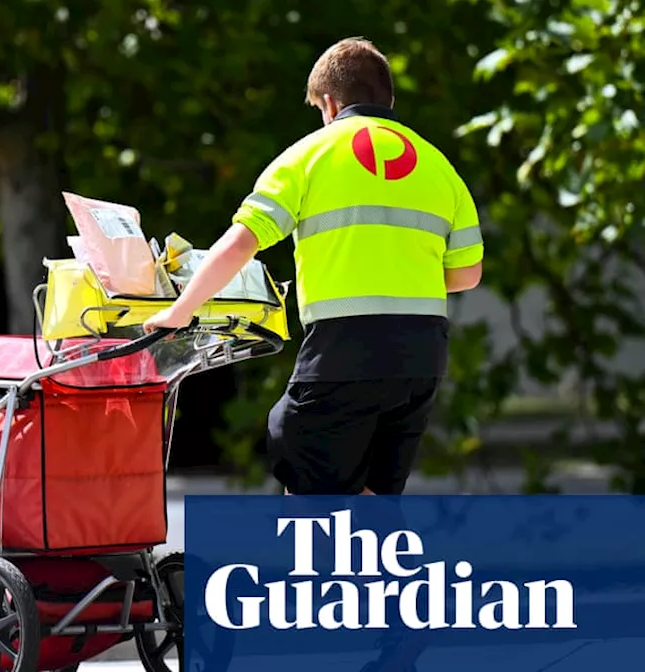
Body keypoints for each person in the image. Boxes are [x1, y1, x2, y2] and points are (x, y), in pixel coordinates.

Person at [143, 37, 484, 498]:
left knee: (305, 475)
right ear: (389, 99)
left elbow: (243, 241)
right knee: (375, 502)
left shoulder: (309, 155)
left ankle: (317, 569)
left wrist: (180, 310)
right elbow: (467, 274)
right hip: (421, 356)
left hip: (345, 349)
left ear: (328, 103)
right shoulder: (438, 164)